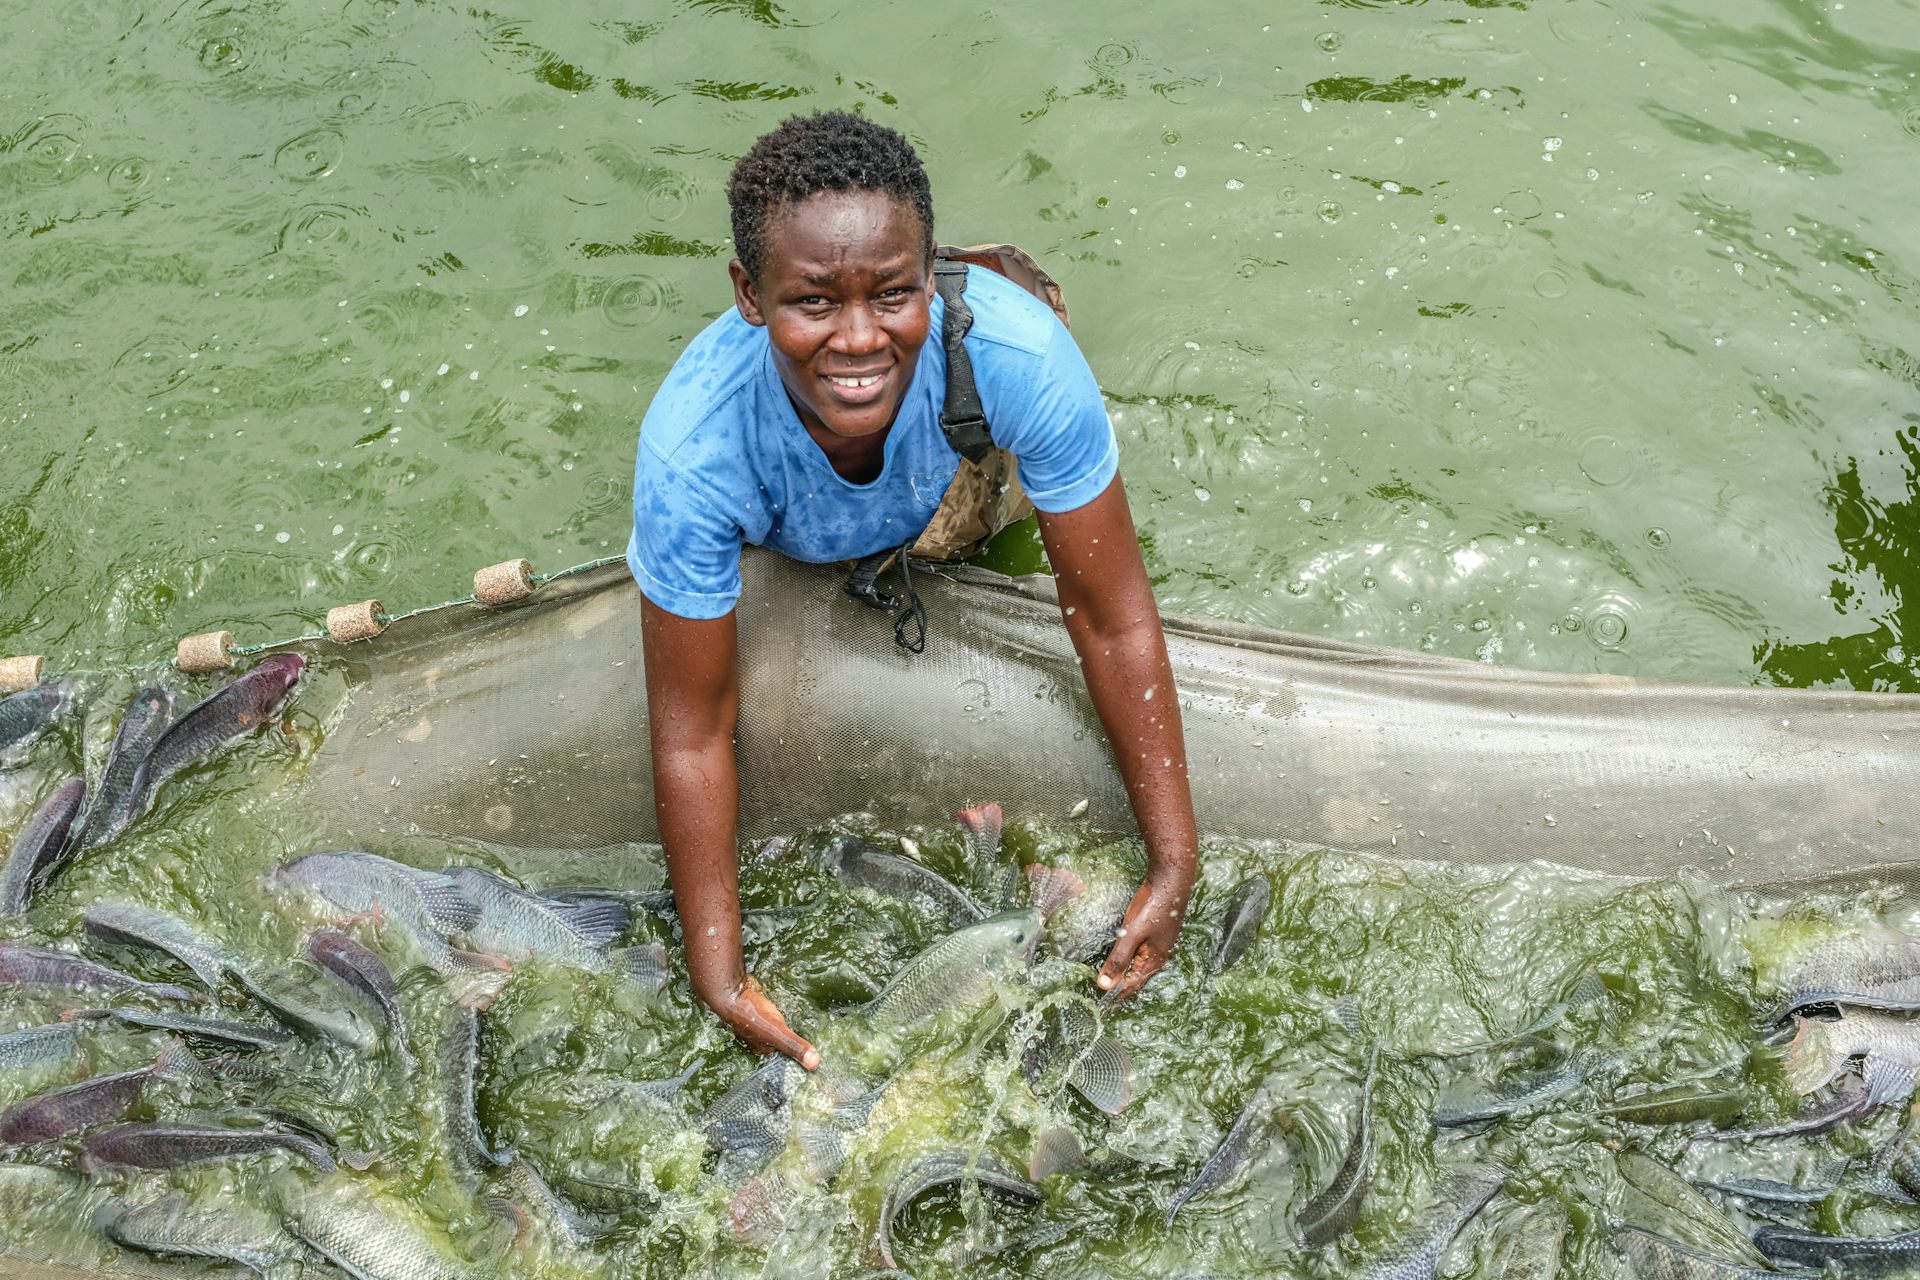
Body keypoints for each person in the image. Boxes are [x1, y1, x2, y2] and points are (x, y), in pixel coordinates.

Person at [628, 110, 1199, 1070]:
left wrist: (1174, 862)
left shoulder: (1015, 361)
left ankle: (994, 277)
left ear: (928, 278)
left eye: (893, 292)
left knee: (992, 517)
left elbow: (1111, 618)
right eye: (813, 302)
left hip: (956, 449)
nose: (856, 339)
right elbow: (693, 728)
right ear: (748, 295)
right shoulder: (695, 454)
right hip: (791, 515)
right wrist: (717, 971)